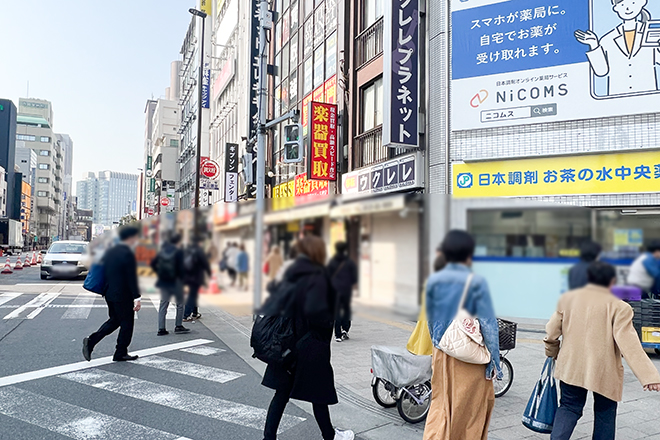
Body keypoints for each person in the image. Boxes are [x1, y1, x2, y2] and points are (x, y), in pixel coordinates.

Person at [545, 261, 660, 440]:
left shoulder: (567, 300)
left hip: (571, 367)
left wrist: (552, 351)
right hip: (604, 371)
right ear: (612, 281)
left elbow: (552, 330)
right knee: (605, 413)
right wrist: (649, 377)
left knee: (568, 407)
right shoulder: (620, 308)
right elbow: (630, 345)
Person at [261, 236, 354, 440]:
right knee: (318, 393)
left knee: (282, 394)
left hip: (285, 345)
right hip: (308, 347)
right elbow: (321, 318)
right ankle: (330, 436)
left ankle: (269, 437)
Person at [423, 230, 501, 440]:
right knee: (470, 416)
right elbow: (488, 325)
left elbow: (430, 321)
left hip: (442, 354)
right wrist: (495, 360)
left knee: (441, 408)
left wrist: (438, 346)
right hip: (468, 360)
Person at [575, 0, 660, 96]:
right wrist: (594, 45)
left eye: (633, 3)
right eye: (622, 5)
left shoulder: (651, 34)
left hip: (648, 95)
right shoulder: (608, 39)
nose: (628, 8)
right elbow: (601, 72)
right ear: (616, 9)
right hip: (618, 97)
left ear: (641, 3)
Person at [82, 226, 142, 362]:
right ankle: (120, 352)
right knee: (127, 323)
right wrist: (137, 297)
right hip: (123, 294)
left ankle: (91, 341)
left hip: (109, 293)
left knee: (115, 320)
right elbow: (131, 277)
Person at [150, 234, 190, 336]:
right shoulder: (179, 252)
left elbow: (153, 264)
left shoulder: (162, 252)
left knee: (163, 305)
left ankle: (161, 329)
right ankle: (178, 326)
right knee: (180, 304)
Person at [327, 241, 358, 342]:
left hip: (335, 290)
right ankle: (345, 329)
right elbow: (354, 278)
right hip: (346, 289)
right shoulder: (349, 262)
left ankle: (337, 335)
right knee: (346, 309)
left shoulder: (332, 262)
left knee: (336, 312)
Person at [183, 239, 211, 322]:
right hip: (196, 277)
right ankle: (186, 315)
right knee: (192, 296)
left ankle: (195, 313)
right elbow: (205, 264)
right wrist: (209, 274)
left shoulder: (186, 251)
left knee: (194, 294)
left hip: (187, 277)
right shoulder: (199, 252)